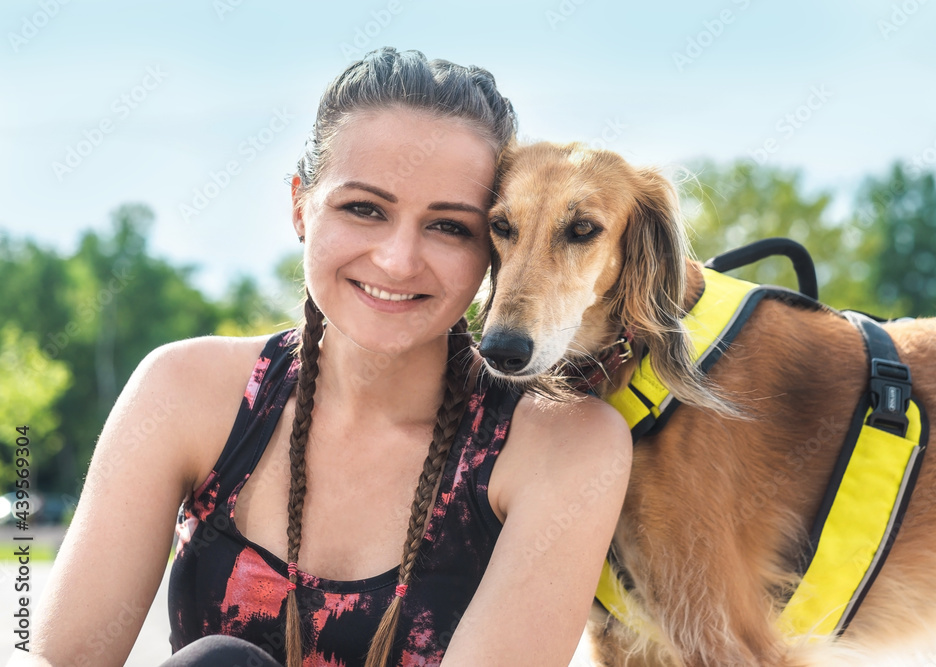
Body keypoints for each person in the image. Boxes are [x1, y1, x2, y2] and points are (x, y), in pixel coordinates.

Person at [21, 47, 632, 667]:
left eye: (449, 226)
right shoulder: (184, 390)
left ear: (494, 247)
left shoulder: (564, 445)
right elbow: (59, 659)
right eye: (364, 209)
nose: (398, 261)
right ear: (299, 207)